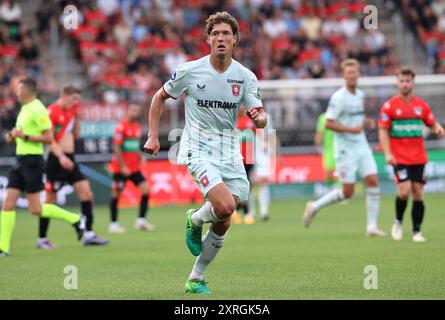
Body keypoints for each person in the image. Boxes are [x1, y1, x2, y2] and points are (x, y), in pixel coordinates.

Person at [143, 12, 268, 294]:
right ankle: (195, 219)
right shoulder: (190, 70)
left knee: (224, 221)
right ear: (208, 39)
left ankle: (195, 278)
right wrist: (152, 135)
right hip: (197, 148)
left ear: (235, 39)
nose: (221, 38)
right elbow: (158, 97)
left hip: (229, 150)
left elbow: (260, 115)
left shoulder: (245, 77)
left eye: (226, 34)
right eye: (216, 34)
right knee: (224, 207)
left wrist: (260, 120)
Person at [303, 59, 386, 237]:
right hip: (344, 149)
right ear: (343, 75)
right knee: (347, 192)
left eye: (355, 72)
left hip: (361, 144)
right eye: (349, 73)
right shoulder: (338, 97)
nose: (352, 75)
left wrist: (365, 122)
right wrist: (351, 129)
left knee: (373, 180)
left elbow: (353, 117)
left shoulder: (360, 95)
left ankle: (371, 226)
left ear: (358, 74)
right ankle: (314, 206)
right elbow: (328, 123)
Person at [0, 77, 83, 257]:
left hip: (33, 162)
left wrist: (25, 136)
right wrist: (12, 136)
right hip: (20, 160)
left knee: (35, 209)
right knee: (7, 204)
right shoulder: (24, 109)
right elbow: (20, 134)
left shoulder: (38, 109)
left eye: (19, 89)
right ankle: (3, 248)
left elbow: (48, 138)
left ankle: (75, 219)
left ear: (28, 91)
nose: (17, 92)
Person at [37, 85, 109, 249]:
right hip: (55, 159)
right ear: (64, 95)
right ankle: (42, 238)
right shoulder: (52, 111)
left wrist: (78, 119)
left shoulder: (73, 109)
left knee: (86, 193)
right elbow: (49, 139)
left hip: (70, 158)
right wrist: (61, 157)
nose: (77, 102)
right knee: (50, 200)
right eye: (74, 99)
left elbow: (75, 135)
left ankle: (89, 233)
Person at [378, 67, 444, 242]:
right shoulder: (389, 106)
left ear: (413, 82)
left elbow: (431, 122)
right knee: (404, 191)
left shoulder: (421, 105)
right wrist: (388, 154)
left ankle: (416, 231)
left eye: (408, 81)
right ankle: (398, 221)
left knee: (418, 192)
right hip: (399, 157)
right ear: (397, 82)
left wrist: (437, 127)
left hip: (418, 157)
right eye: (402, 81)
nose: (405, 84)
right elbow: (383, 131)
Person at [109, 103, 154, 234]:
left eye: (137, 110)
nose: (135, 112)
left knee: (146, 190)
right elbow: (117, 147)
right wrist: (123, 166)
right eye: (133, 109)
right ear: (127, 110)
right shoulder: (121, 127)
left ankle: (141, 221)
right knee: (116, 195)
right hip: (120, 168)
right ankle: (113, 224)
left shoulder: (137, 126)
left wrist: (140, 155)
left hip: (134, 168)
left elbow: (133, 145)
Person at [231, 107, 255, 224]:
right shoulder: (232, 120)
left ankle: (240, 211)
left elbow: (255, 137)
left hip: (248, 158)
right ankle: (245, 213)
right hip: (235, 158)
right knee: (236, 185)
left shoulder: (249, 121)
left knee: (246, 185)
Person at [315, 112, 336, 189]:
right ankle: (331, 188)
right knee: (332, 172)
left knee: (330, 172)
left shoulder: (323, 118)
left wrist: (318, 146)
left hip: (329, 150)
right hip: (334, 149)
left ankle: (328, 188)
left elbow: (319, 136)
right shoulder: (341, 116)